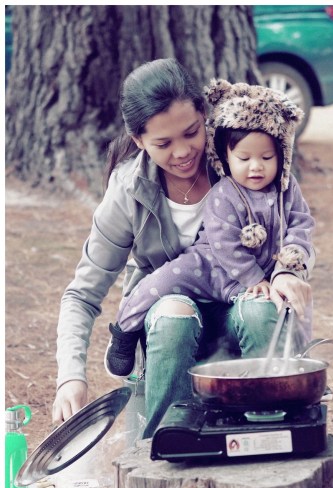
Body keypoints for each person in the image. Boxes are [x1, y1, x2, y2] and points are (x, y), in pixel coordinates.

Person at [52, 59, 313, 437]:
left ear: (205, 117)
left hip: (242, 311)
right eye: (163, 143)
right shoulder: (128, 190)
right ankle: (167, 444)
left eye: (192, 133)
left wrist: (289, 271)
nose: (183, 152)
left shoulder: (244, 157)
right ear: (139, 140)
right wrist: (70, 377)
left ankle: (270, 431)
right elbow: (82, 293)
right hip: (170, 332)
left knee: (260, 310)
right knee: (173, 312)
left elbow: (295, 231)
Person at [104, 79, 313, 378]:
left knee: (290, 305)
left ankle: (295, 364)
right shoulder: (224, 193)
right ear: (225, 158)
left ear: (282, 154)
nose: (256, 167)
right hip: (209, 266)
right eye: (244, 158)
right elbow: (224, 242)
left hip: (252, 280)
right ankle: (124, 332)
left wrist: (288, 264)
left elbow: (301, 224)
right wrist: (254, 277)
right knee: (157, 284)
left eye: (267, 157)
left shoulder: (286, 189)